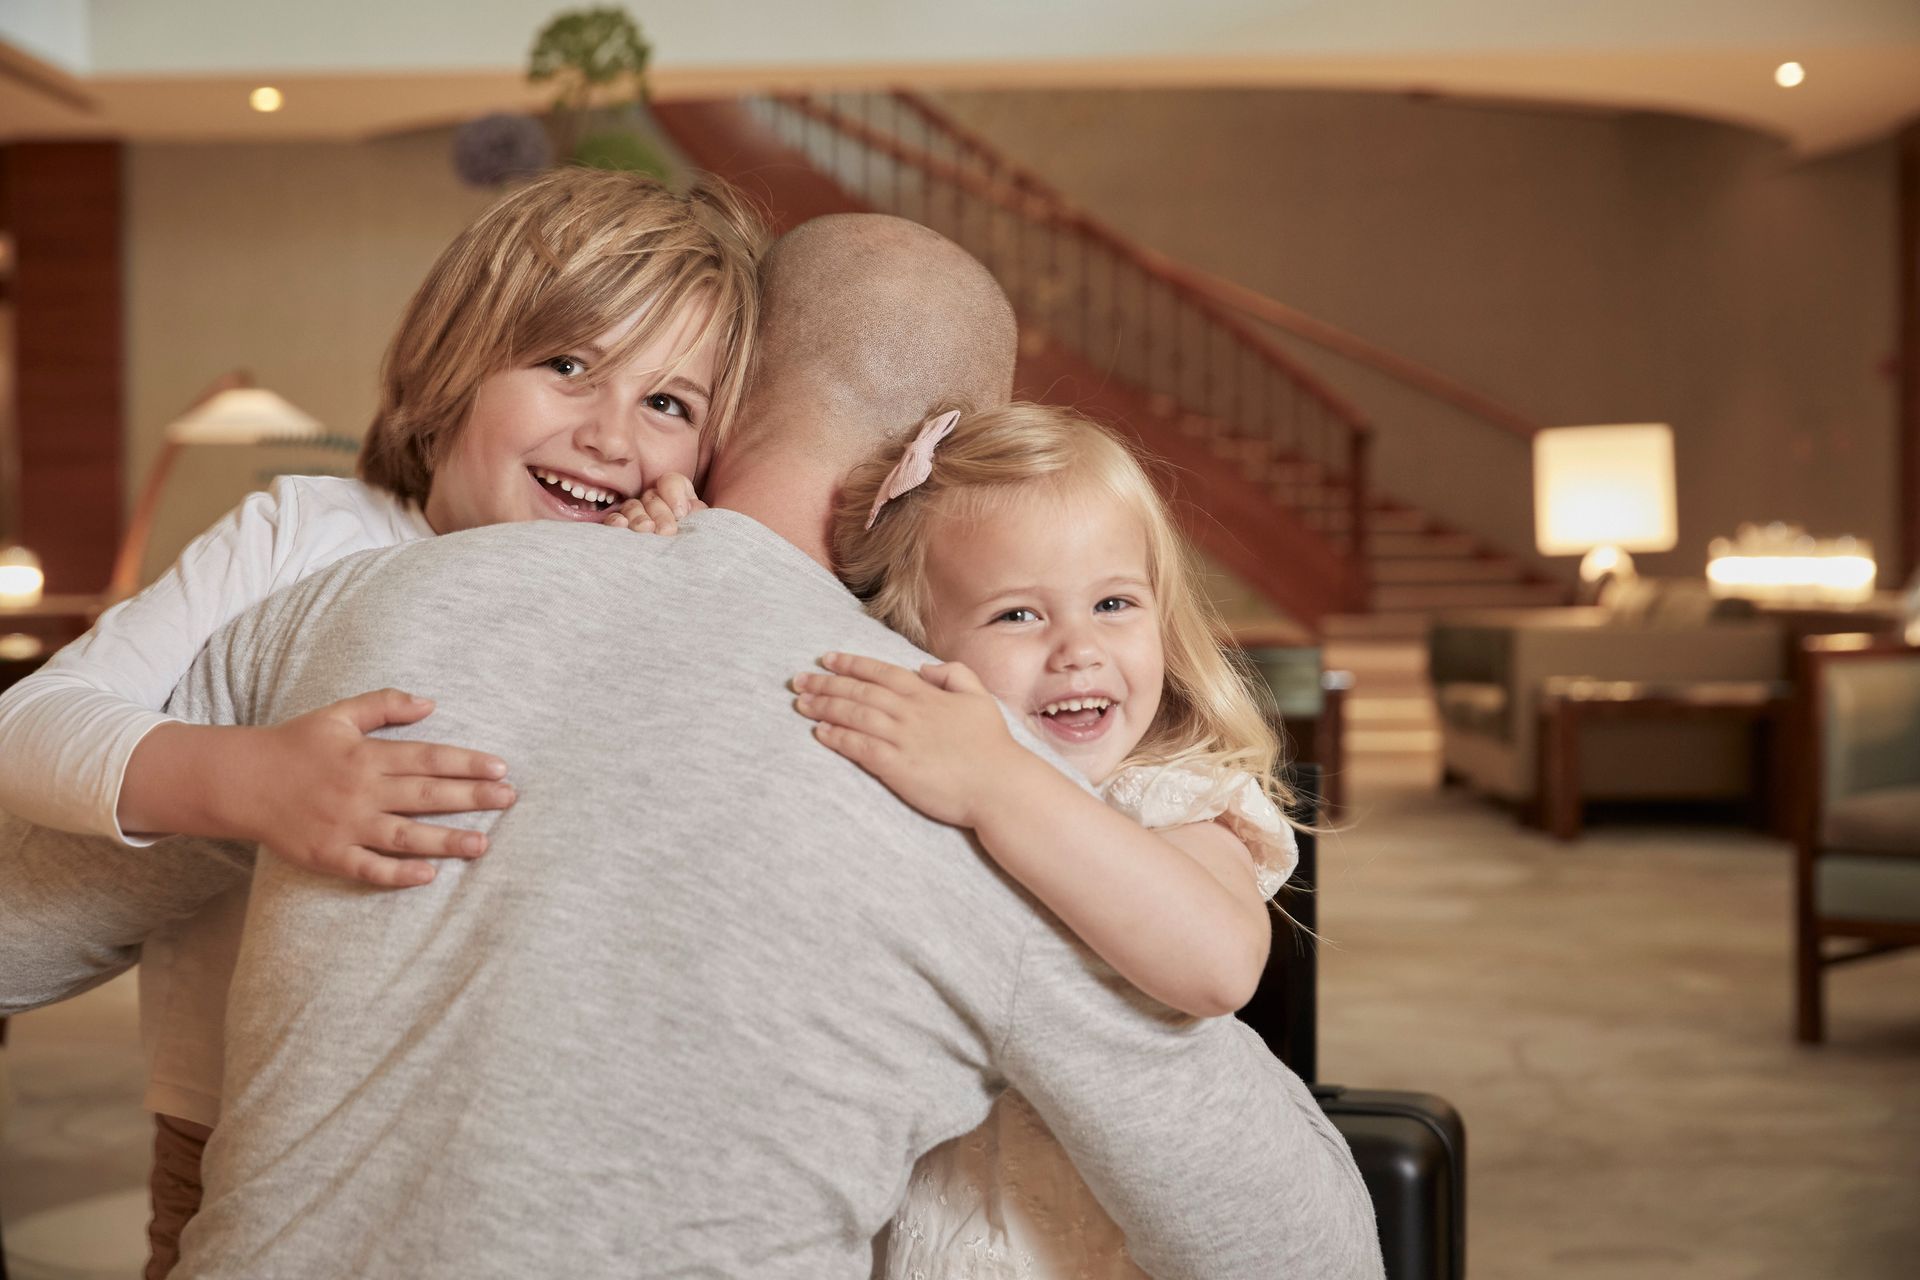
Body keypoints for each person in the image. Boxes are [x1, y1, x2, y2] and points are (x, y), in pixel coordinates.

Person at [0, 214, 1382, 1279]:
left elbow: (17, 929)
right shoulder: (967, 775)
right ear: (928, 462)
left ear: (727, 396)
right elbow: (1298, 1244)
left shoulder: (339, 617)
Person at [0, 166, 762, 1278]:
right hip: (237, 1139)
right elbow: (31, 724)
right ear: (455, 366)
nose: (610, 433)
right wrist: (250, 780)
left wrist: (659, 595)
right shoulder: (306, 533)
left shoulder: (659, 586)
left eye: (669, 403)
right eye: (567, 366)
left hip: (503, 1159)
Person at [796, 401, 1301, 1278]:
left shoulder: (1171, 798)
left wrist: (999, 779)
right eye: (1018, 616)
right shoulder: (903, 781)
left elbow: (1217, 964)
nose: (1079, 649)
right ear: (915, 649)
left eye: (1114, 603)